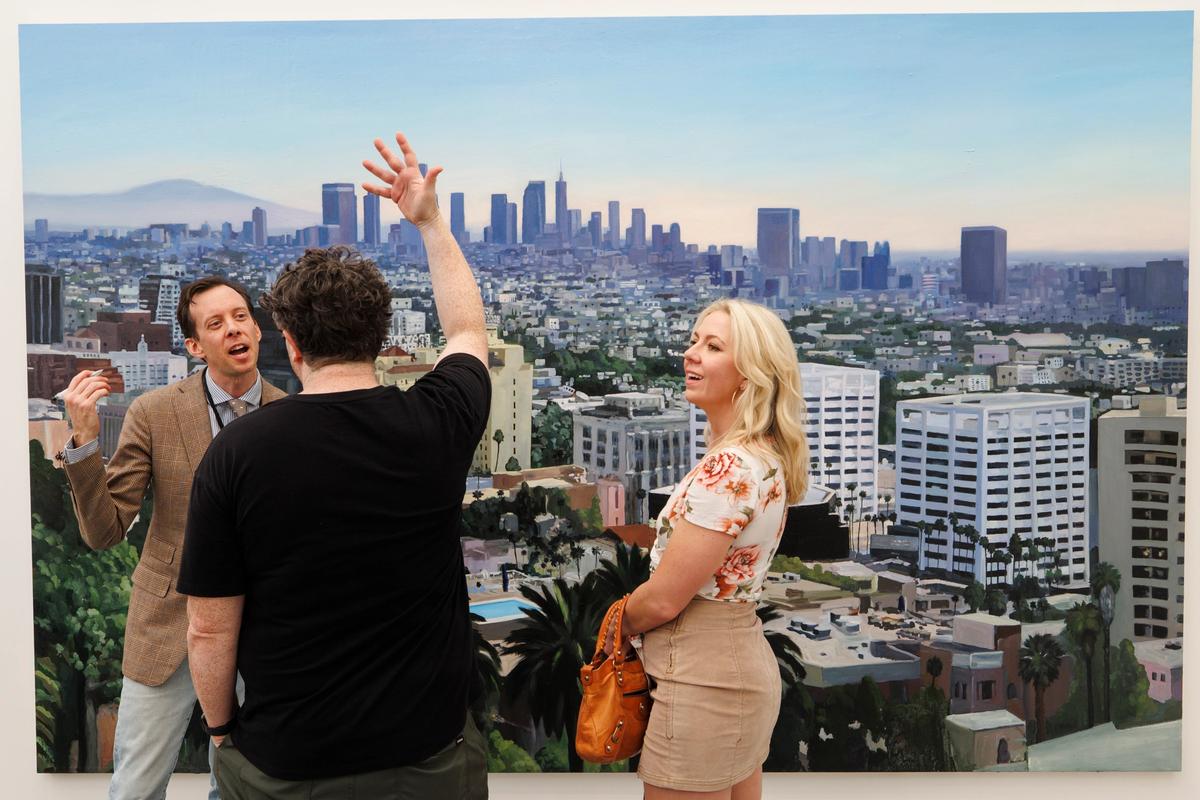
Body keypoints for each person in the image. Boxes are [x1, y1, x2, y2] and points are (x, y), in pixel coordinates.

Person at [177, 132, 490, 799]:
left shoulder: (236, 452)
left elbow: (208, 624)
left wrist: (220, 728)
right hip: (426, 757)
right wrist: (430, 221)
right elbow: (467, 333)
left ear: (288, 344)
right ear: (381, 336)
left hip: (286, 762)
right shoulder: (437, 422)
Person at [57, 276, 286, 800]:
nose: (234, 329)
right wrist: (85, 441)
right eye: (215, 323)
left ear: (255, 326)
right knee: (135, 789)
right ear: (193, 347)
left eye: (241, 316)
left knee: (240, 790)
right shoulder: (154, 412)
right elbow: (104, 531)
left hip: (262, 632)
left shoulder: (287, 414)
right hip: (167, 626)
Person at [614, 298, 809, 799]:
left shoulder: (728, 470)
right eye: (695, 340)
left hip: (702, 686)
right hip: (738, 672)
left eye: (713, 346)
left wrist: (616, 623)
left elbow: (663, 600)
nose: (691, 354)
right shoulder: (763, 459)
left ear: (749, 375)